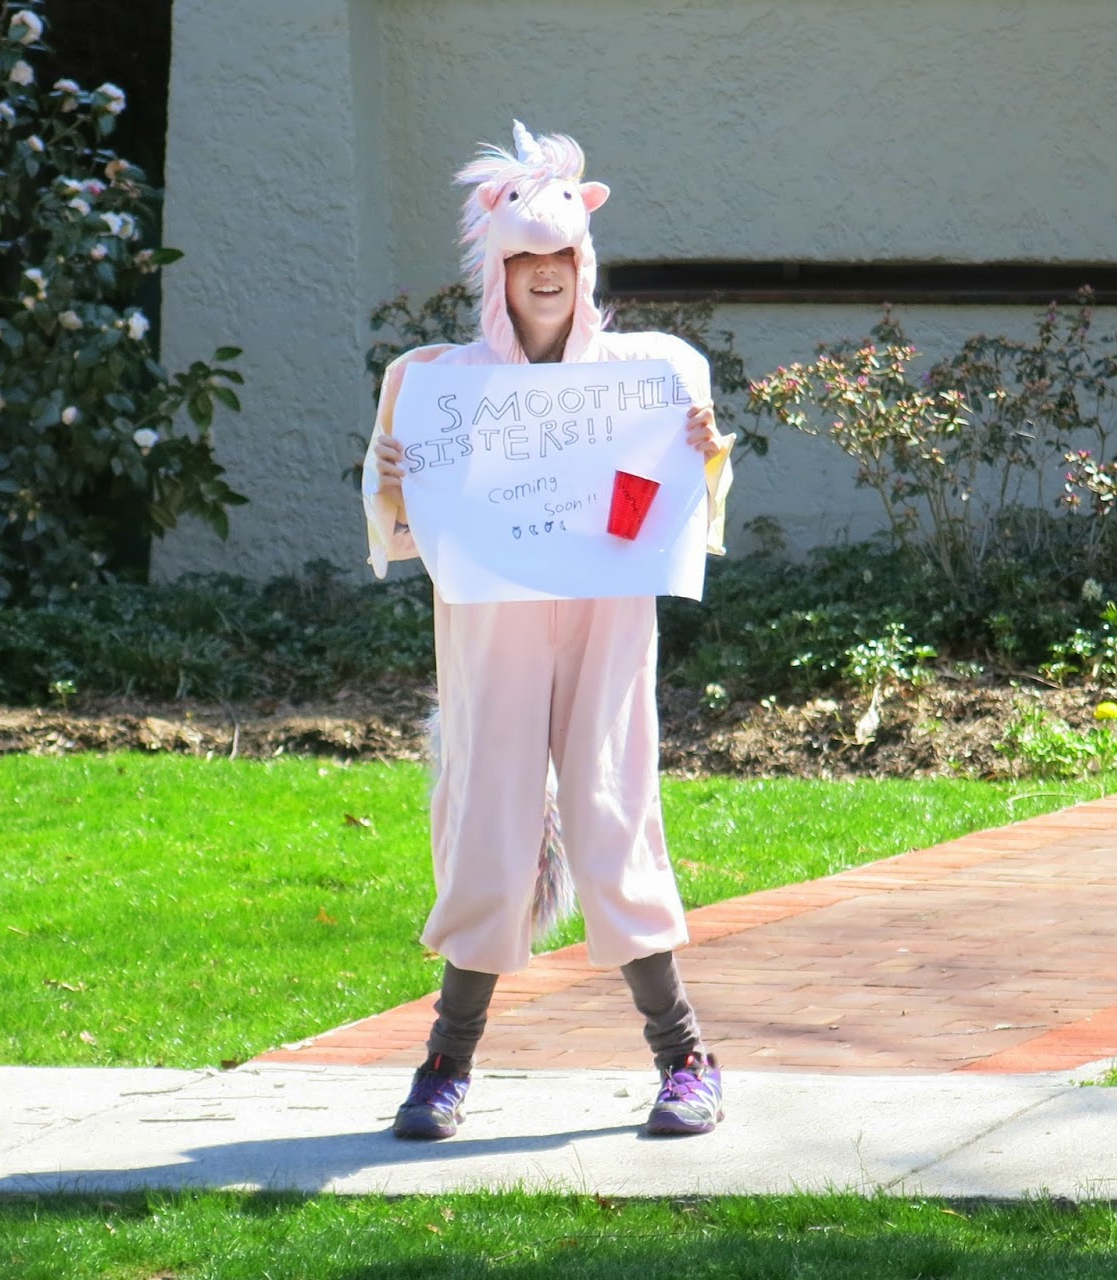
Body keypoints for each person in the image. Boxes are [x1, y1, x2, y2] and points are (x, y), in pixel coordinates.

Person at [361, 121, 735, 1140]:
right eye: (524, 257)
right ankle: (446, 1061)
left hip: (605, 614)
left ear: (584, 262)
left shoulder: (647, 375)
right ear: (496, 269)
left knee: (613, 806)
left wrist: (701, 451)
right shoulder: (437, 383)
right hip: (493, 622)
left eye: (561, 255)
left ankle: (684, 1057)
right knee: (489, 817)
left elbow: (682, 498)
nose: (544, 273)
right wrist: (391, 478)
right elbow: (402, 522)